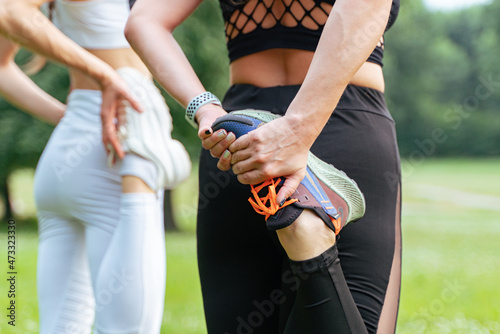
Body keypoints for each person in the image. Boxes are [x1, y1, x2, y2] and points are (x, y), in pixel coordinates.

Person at [124, 0, 401, 333]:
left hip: (238, 138)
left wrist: (206, 110)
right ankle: (311, 245)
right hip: (338, 126)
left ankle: (306, 238)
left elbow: (142, 22)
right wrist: (298, 128)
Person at [0, 0, 191, 333]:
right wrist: (103, 73)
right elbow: (9, 11)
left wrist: (70, 116)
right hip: (117, 155)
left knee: (60, 327)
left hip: (68, 154)